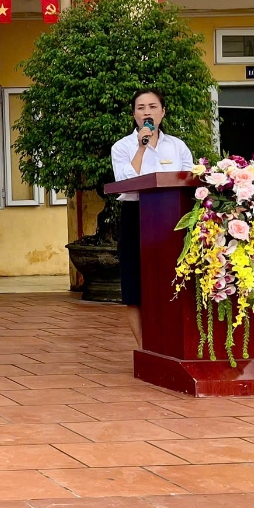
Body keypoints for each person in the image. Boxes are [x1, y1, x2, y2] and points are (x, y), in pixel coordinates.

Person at [111, 88, 194, 348]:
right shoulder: (122, 147)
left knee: (172, 282)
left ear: (163, 112)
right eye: (141, 108)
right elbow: (126, 180)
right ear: (134, 114)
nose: (147, 112)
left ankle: (173, 343)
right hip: (136, 217)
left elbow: (190, 181)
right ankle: (146, 348)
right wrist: (141, 147)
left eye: (153, 107)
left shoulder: (177, 146)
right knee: (135, 287)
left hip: (174, 219)